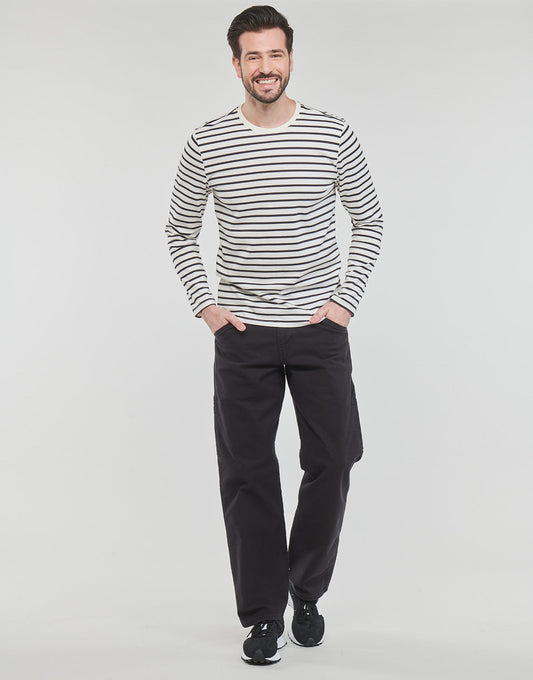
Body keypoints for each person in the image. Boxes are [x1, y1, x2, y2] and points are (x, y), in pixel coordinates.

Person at [164, 5, 383, 666]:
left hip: (318, 331)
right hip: (243, 336)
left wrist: (344, 302)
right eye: (253, 56)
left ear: (291, 58)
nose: (266, 67)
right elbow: (179, 230)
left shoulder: (331, 133)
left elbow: (369, 219)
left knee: (335, 458)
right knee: (248, 474)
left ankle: (305, 592)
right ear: (236, 64)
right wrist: (206, 306)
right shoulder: (208, 141)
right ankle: (262, 614)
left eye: (276, 54)